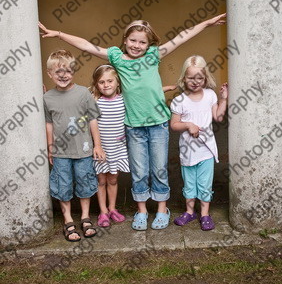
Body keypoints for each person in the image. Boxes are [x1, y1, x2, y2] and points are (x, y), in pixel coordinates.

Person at [39, 13, 225, 231]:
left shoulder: (153, 56)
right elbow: (88, 46)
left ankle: (162, 209)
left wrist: (206, 23)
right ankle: (142, 210)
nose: (137, 45)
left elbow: (182, 37)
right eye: (133, 40)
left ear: (149, 44)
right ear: (125, 40)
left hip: (158, 124)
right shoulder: (117, 58)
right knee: (139, 170)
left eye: (142, 42)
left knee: (159, 169)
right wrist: (58, 34)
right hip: (134, 126)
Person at [43, 49, 106, 241]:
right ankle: (68, 219)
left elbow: (93, 120)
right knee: (63, 186)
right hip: (61, 152)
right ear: (49, 74)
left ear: (74, 71)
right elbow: (49, 123)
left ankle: (86, 217)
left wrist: (98, 145)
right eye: (58, 72)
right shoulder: (47, 98)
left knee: (85, 181)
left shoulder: (83, 94)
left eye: (67, 71)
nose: (63, 76)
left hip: (84, 150)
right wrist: (50, 146)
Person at [170, 55, 228, 230]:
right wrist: (188, 124)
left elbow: (218, 116)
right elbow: (174, 125)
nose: (195, 81)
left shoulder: (210, 95)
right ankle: (189, 212)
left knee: (204, 183)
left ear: (205, 78)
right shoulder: (179, 100)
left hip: (206, 149)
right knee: (189, 183)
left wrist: (224, 98)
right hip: (188, 151)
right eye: (190, 78)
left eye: (199, 78)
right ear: (184, 78)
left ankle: (204, 214)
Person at [90, 64, 130, 227]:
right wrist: (97, 145)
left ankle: (112, 208)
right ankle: (103, 211)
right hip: (101, 148)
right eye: (101, 82)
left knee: (113, 179)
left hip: (118, 148)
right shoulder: (95, 101)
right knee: (101, 179)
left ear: (117, 82)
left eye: (109, 81)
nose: (106, 85)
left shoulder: (124, 99)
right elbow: (93, 124)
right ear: (96, 84)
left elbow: (144, 93)